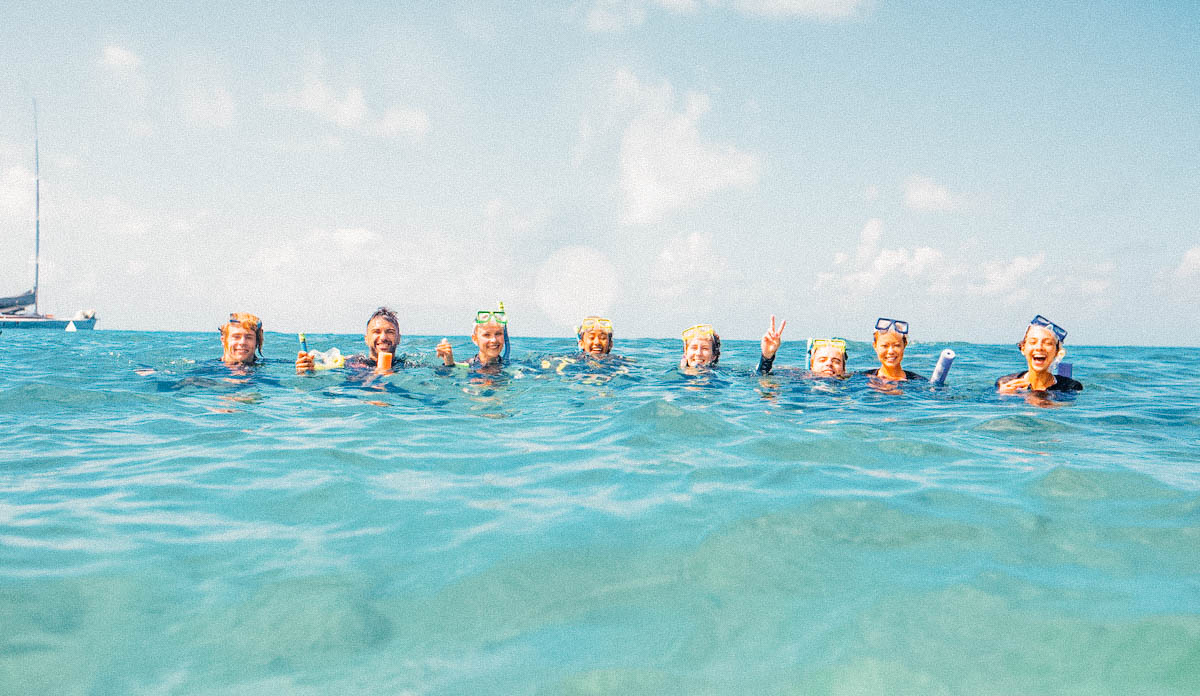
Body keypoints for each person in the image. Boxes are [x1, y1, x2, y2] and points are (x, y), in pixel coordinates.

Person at [295, 307, 407, 374]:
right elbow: (322, 369)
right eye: (376, 331)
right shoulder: (352, 362)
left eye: (390, 332)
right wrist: (306, 369)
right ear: (366, 339)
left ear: (399, 339)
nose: (383, 337)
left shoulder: (407, 366)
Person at [997, 315, 1083, 393]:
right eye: (1033, 342)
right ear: (1023, 348)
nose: (1039, 347)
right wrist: (1003, 396)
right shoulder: (1005, 382)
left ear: (1056, 352)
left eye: (1048, 343)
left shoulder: (1071, 387)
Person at [437, 307, 508, 370]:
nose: (494, 340)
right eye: (486, 335)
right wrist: (449, 364)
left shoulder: (512, 365)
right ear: (475, 339)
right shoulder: (467, 366)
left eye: (498, 334)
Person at [861, 317, 925, 381]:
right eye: (885, 346)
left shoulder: (920, 382)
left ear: (904, 345)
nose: (891, 351)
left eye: (897, 345)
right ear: (875, 346)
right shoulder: (859, 378)